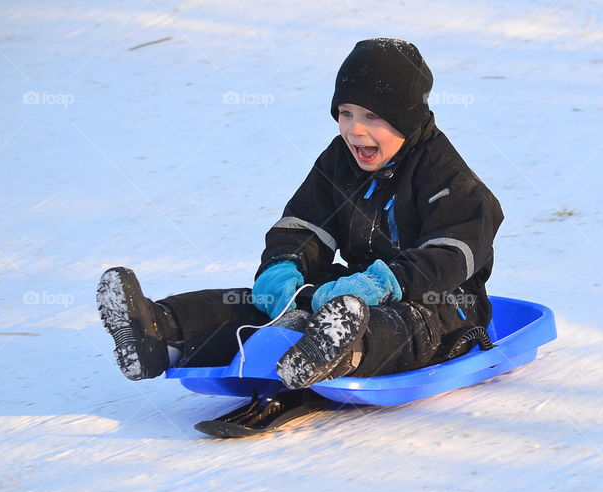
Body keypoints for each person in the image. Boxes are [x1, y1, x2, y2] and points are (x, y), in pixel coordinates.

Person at [97, 38, 504, 390]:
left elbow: (451, 253)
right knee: (277, 303)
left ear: (406, 117)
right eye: (346, 113)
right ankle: (163, 335)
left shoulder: (446, 176)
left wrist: (382, 284)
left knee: (406, 321)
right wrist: (283, 267)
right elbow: (306, 224)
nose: (354, 130)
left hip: (444, 305)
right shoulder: (340, 161)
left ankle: (342, 351)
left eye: (372, 116)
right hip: (349, 297)